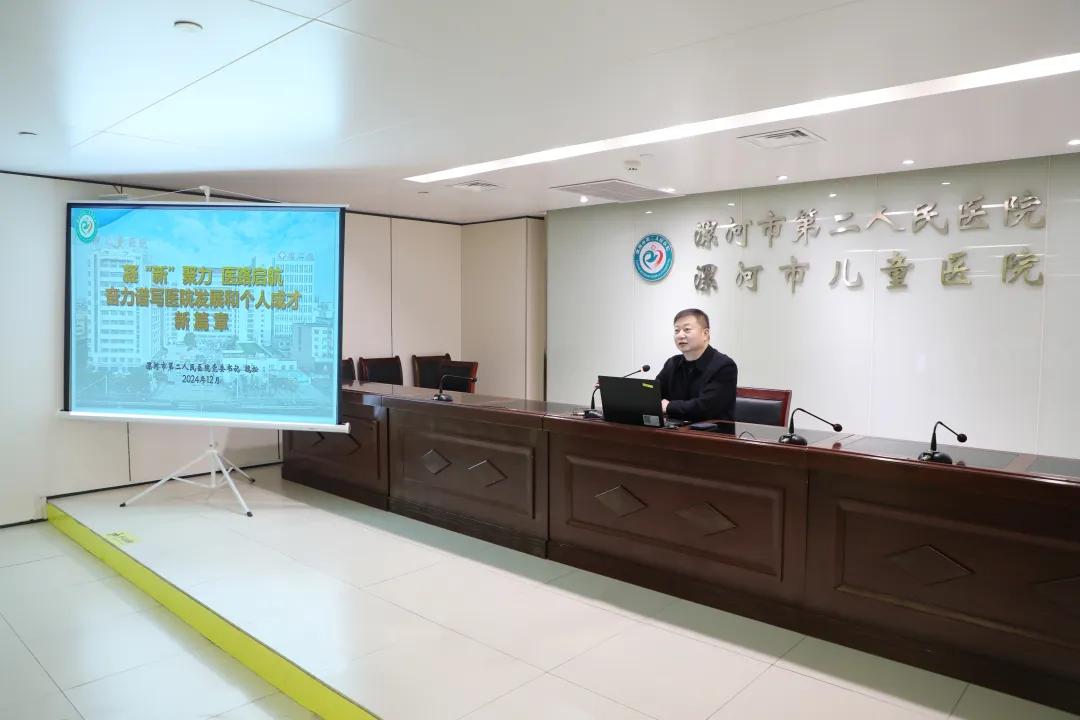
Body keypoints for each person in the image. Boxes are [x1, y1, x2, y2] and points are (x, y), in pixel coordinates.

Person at [656, 308, 737, 422]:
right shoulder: (672, 363)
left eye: (687, 329)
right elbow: (654, 395)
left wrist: (669, 406)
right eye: (677, 330)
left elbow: (706, 407)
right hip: (674, 428)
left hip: (712, 431)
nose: (680, 335)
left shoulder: (724, 366)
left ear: (705, 334)